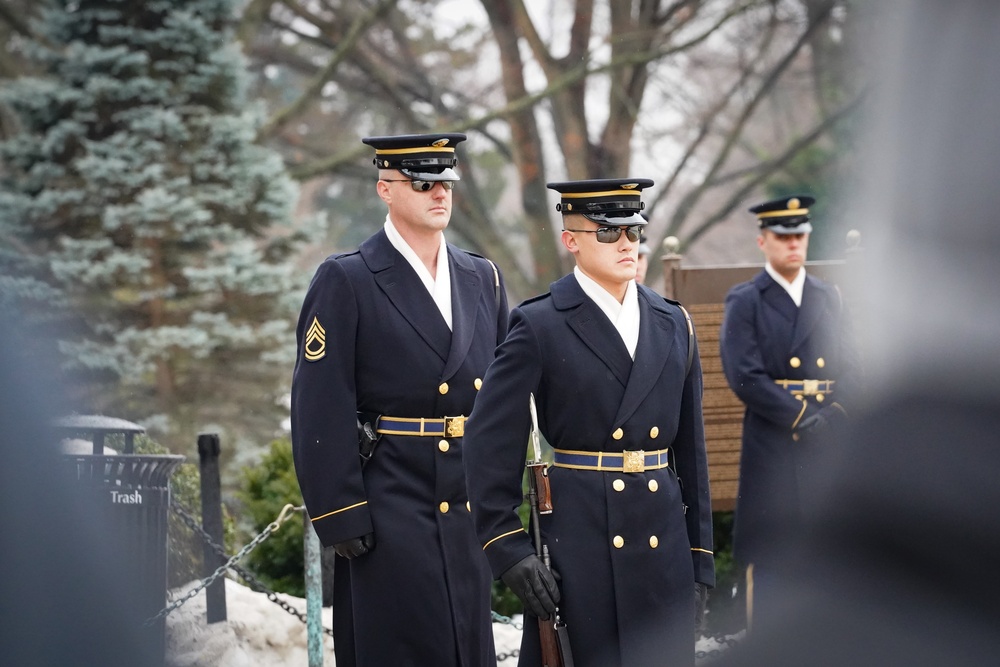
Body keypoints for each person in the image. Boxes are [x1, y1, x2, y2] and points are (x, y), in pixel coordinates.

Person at [464, 178, 715, 667]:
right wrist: (508, 548)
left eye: (633, 231)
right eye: (606, 232)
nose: (625, 243)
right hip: (581, 548)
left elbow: (692, 454)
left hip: (662, 550)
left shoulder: (673, 322)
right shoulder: (540, 324)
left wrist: (700, 561)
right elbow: (488, 442)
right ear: (570, 240)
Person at [290, 132, 509, 667]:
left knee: (468, 648)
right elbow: (320, 402)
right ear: (385, 189)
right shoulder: (348, 278)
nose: (439, 194)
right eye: (422, 183)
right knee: (402, 647)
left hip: (466, 499)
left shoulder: (482, 277)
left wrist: (503, 502)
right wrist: (340, 513)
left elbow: (504, 397)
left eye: (445, 182)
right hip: (389, 499)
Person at [718, 195, 860, 631]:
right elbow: (744, 374)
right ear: (763, 241)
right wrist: (801, 416)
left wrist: (835, 415)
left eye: (800, 234)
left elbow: (854, 363)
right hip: (775, 442)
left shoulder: (827, 297)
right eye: (783, 236)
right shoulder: (747, 300)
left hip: (827, 439)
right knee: (772, 554)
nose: (793, 244)